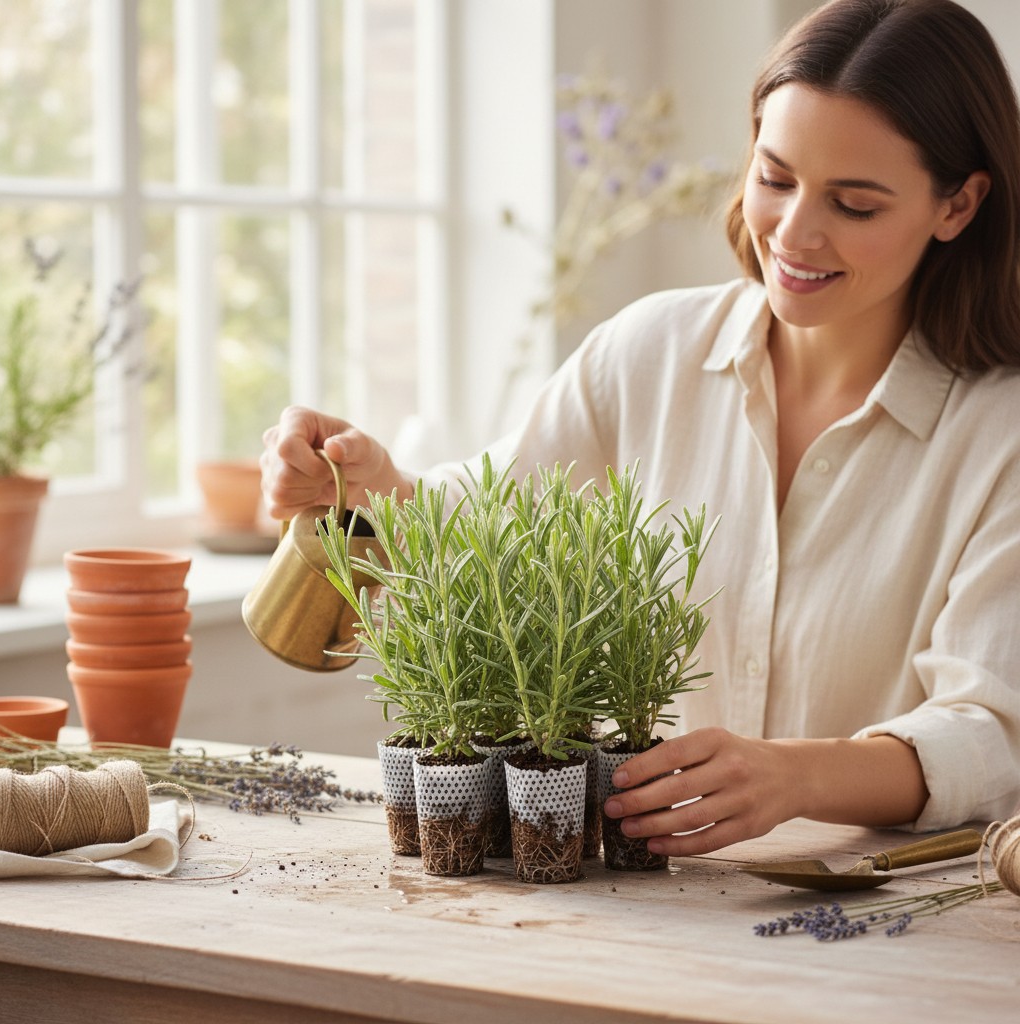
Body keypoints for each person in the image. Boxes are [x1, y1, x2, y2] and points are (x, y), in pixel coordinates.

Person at [260, 0, 1020, 856]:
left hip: (887, 928)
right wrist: (373, 493)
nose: (794, 232)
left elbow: (992, 732)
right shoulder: (649, 351)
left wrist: (795, 776)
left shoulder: (1001, 435)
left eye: (854, 204)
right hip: (646, 904)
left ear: (958, 204)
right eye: (774, 178)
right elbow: (484, 520)